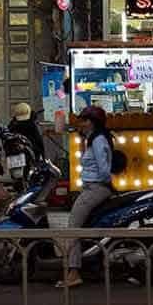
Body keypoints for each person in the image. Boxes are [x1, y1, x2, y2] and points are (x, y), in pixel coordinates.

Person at [58, 106, 114, 289]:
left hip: (96, 188)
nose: (80, 124)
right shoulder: (92, 139)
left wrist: (94, 184)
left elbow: (104, 170)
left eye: (83, 120)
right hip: (92, 188)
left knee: (73, 227)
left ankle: (74, 272)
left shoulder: (98, 141)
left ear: (90, 122)